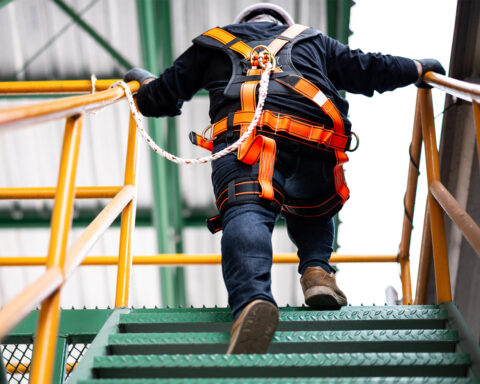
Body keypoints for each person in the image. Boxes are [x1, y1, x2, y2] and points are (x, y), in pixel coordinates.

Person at [123, 3, 445, 354]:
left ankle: (252, 302)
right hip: (317, 147)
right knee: (313, 210)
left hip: (249, 144)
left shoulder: (212, 44)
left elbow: (159, 99)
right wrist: (417, 69)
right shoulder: (313, 41)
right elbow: (368, 68)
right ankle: (317, 272)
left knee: (247, 212)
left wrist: (141, 82)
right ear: (285, 25)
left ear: (240, 25)